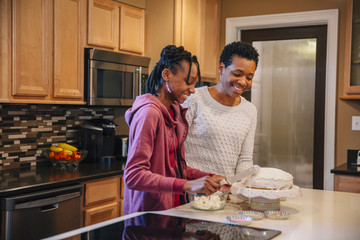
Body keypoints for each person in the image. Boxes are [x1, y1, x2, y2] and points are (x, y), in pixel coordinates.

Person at [123, 45, 225, 215]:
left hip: (172, 212)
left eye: (194, 84)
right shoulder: (149, 113)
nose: (192, 90)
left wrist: (209, 178)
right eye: (188, 82)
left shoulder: (175, 112)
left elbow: (174, 169)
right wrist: (187, 185)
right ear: (167, 75)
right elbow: (134, 175)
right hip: (148, 217)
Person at [182, 41, 259, 178]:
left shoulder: (250, 110)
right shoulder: (193, 99)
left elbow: (245, 159)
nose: (242, 82)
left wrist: (241, 187)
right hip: (192, 190)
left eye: (249, 77)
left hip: (226, 193)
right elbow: (175, 150)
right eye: (237, 74)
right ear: (221, 68)